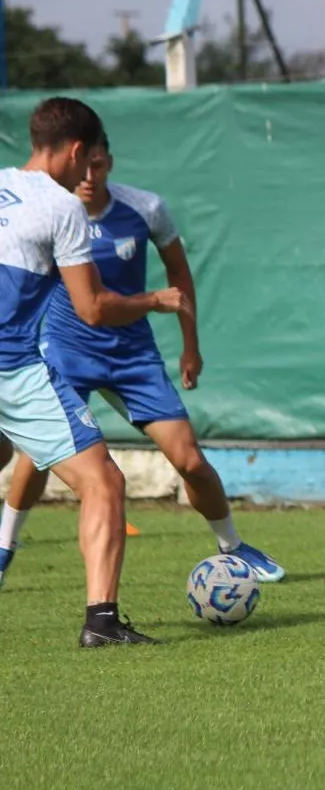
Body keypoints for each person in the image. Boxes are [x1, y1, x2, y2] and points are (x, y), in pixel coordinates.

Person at [0, 132, 285, 589]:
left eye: (99, 165)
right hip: (66, 350)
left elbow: (179, 273)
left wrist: (190, 344)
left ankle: (233, 546)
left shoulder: (146, 209)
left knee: (189, 460)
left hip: (133, 356)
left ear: (109, 161)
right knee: (38, 455)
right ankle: (5, 546)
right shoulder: (46, 209)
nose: (90, 177)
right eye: (84, 166)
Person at [0, 97, 190, 646]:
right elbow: (93, 308)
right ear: (78, 151)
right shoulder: (62, 209)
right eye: (89, 164)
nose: (90, 177)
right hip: (12, 367)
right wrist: (153, 300)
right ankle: (102, 623)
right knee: (103, 481)